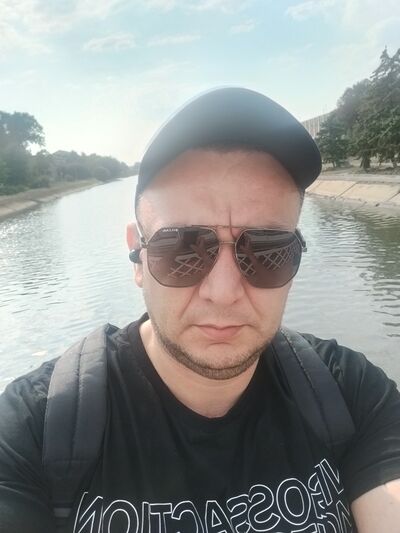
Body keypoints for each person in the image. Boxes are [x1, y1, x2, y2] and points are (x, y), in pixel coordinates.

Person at [1, 87, 400, 533]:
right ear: (138, 257)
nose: (224, 292)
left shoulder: (352, 393)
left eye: (267, 251)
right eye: (182, 251)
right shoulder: (35, 429)